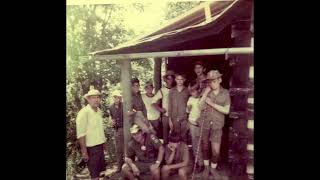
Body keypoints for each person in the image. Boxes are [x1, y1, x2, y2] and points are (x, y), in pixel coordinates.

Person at [198, 70, 231, 179]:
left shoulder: (225, 93)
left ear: (220, 80)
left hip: (217, 126)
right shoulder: (206, 91)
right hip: (205, 125)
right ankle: (207, 168)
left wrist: (211, 103)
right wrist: (206, 93)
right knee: (205, 147)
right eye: (210, 81)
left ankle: (213, 168)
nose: (212, 83)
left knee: (216, 151)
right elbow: (200, 106)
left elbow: (226, 110)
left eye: (214, 81)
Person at [76, 86, 107, 180]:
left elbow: (100, 129)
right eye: (93, 97)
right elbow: (81, 134)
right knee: (94, 174)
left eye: (98, 97)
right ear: (88, 99)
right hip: (91, 148)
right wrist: (84, 151)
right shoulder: (83, 113)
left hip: (100, 145)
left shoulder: (99, 111)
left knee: (100, 172)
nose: (96, 100)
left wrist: (104, 143)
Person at [152, 70, 176, 144]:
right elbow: (153, 102)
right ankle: (166, 151)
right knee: (165, 135)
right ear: (166, 80)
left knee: (175, 134)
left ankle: (175, 151)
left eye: (171, 78)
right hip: (165, 116)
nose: (170, 80)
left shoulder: (176, 89)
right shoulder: (162, 90)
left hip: (175, 116)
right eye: (168, 78)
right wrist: (160, 109)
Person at [186, 81, 204, 173]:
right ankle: (198, 163)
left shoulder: (202, 99)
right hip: (192, 124)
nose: (192, 93)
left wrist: (199, 121)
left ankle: (203, 163)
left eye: (193, 91)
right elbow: (188, 110)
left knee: (202, 144)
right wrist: (188, 108)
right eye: (190, 92)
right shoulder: (190, 99)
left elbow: (204, 113)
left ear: (198, 90)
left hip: (200, 125)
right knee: (195, 145)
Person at [168, 73, 190, 142]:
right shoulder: (172, 91)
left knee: (184, 137)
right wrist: (169, 119)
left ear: (184, 80)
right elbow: (170, 105)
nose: (180, 81)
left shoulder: (187, 90)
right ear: (175, 80)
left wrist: (189, 119)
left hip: (184, 117)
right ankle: (176, 152)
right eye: (178, 79)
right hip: (174, 117)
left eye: (181, 79)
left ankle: (184, 152)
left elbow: (190, 104)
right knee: (175, 137)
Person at [109, 90, 124, 172]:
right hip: (116, 129)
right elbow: (111, 117)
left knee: (126, 148)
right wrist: (112, 122)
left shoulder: (124, 105)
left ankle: (126, 166)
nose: (116, 99)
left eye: (118, 97)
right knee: (118, 149)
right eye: (115, 97)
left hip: (124, 128)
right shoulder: (111, 107)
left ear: (120, 98)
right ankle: (119, 166)